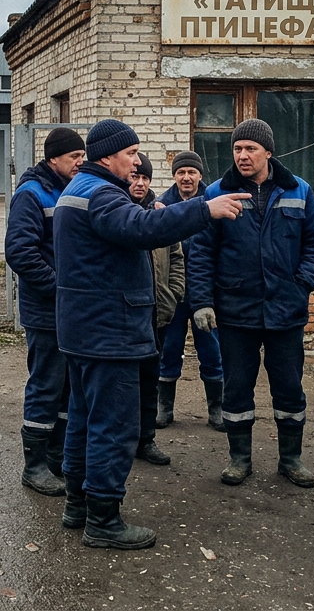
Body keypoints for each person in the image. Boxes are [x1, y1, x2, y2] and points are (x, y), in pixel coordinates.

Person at [55, 119, 248, 549]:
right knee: (113, 425)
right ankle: (103, 520)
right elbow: (142, 230)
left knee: (84, 419)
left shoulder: (77, 189)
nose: (136, 161)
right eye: (131, 153)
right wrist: (205, 209)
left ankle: (78, 505)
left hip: (83, 330)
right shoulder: (103, 194)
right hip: (109, 332)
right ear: (108, 156)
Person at [187, 119, 314, 488]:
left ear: (268, 152)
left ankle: (291, 459)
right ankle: (240, 459)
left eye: (250, 148)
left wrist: (301, 285)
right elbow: (201, 252)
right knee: (237, 387)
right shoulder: (218, 193)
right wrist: (201, 301)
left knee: (289, 386)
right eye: (237, 148)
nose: (242, 155)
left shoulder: (298, 190)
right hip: (236, 311)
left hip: (285, 310)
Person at [4, 127, 85, 497]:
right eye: (74, 157)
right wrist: (58, 288)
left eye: (82, 156)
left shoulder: (70, 188)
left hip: (69, 309)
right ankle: (33, 465)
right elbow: (20, 252)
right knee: (46, 385)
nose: (80, 162)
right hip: (45, 310)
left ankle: (56, 457)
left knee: (68, 386)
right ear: (54, 159)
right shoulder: (31, 194)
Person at [155, 151, 225, 430]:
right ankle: (164, 407)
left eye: (191, 172)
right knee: (169, 349)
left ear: (200, 175)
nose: (186, 177)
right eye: (181, 172)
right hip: (173, 293)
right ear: (174, 176)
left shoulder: (212, 202)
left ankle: (217, 408)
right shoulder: (162, 204)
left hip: (205, 292)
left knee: (211, 348)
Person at [129, 153, 180, 466]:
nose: (140, 183)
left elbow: (177, 257)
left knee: (150, 381)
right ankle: (123, 441)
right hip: (128, 318)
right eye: (135, 177)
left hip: (156, 315)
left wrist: (173, 294)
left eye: (145, 178)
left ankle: (146, 440)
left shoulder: (160, 213)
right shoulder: (119, 212)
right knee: (125, 384)